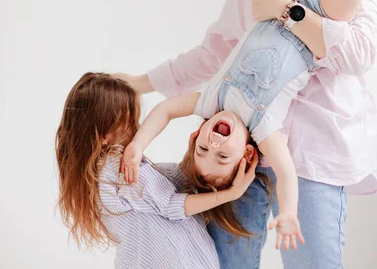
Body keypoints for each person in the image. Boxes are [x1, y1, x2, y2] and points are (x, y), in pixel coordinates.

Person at [116, 0, 377, 268]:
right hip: (245, 165)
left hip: (313, 159)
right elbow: (211, 54)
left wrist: (288, 12)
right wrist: (137, 83)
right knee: (228, 263)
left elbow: (356, 56)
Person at [55, 72, 258, 269]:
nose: (138, 128)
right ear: (103, 136)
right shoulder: (116, 168)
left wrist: (192, 156)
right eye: (130, 122)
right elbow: (171, 205)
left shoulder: (106, 174)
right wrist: (231, 193)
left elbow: (165, 191)